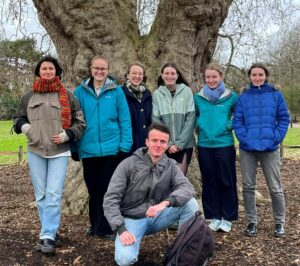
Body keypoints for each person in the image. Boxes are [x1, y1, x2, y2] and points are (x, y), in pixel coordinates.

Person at [13, 55, 86, 255]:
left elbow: (80, 123)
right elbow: (18, 118)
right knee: (41, 195)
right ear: (38, 72)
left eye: (51, 69)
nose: (47, 72)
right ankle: (50, 231)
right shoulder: (28, 96)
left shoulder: (67, 96)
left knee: (53, 194)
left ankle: (47, 237)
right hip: (36, 150)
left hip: (58, 152)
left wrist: (67, 135)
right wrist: (25, 127)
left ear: (56, 72)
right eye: (44, 69)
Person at [103, 123, 198, 266]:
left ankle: (183, 251)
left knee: (190, 204)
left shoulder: (171, 165)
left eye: (163, 142)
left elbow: (187, 188)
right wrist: (121, 229)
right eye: (154, 140)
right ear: (147, 142)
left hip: (157, 216)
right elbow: (110, 199)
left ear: (167, 144)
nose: (158, 145)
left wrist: (165, 203)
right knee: (125, 260)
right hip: (131, 220)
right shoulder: (128, 164)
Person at [73, 56, 132, 239]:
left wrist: (125, 145)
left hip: (111, 149)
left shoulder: (116, 91)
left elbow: (125, 119)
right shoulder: (80, 92)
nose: (99, 71)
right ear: (91, 69)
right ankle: (94, 224)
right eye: (96, 68)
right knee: (93, 188)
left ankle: (106, 227)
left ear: (108, 70)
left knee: (108, 189)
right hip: (88, 149)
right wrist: (74, 146)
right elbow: (74, 119)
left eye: (103, 69)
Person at [233, 63, 290, 237]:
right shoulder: (243, 97)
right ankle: (251, 222)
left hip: (270, 148)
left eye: (260, 74)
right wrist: (245, 138)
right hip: (247, 149)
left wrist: (275, 138)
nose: (257, 77)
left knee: (275, 187)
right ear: (249, 76)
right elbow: (238, 121)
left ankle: (279, 223)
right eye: (254, 75)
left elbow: (283, 118)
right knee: (248, 186)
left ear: (266, 76)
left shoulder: (276, 95)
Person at [194, 63, 238, 233]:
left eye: (214, 77)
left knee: (226, 180)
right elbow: (195, 115)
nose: (211, 80)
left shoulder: (231, 97)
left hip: (224, 144)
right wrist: (200, 123)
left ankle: (227, 217)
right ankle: (213, 216)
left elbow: (238, 116)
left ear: (221, 77)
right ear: (204, 79)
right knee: (209, 180)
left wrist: (229, 125)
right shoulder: (198, 97)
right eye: (208, 77)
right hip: (204, 144)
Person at [152, 63, 195, 175]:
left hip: (185, 145)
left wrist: (179, 144)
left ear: (177, 75)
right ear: (162, 75)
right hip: (164, 145)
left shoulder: (187, 91)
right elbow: (156, 121)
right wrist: (168, 143)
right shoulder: (157, 94)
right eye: (166, 73)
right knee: (163, 180)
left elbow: (190, 119)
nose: (169, 76)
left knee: (179, 179)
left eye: (172, 73)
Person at [122, 63, 152, 153]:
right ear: (128, 75)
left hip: (145, 144)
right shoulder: (120, 93)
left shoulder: (148, 94)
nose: (137, 76)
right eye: (134, 73)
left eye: (140, 74)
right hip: (128, 145)